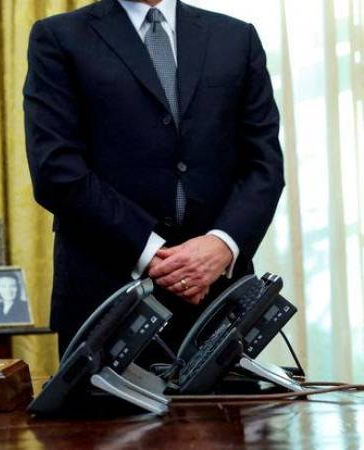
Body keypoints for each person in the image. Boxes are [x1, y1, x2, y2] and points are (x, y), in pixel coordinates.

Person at [23, 0, 284, 358]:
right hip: (107, 297)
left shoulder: (237, 38)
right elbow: (56, 170)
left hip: (219, 296)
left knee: (230, 414)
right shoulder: (58, 38)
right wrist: (153, 254)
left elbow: (264, 165)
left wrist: (223, 244)